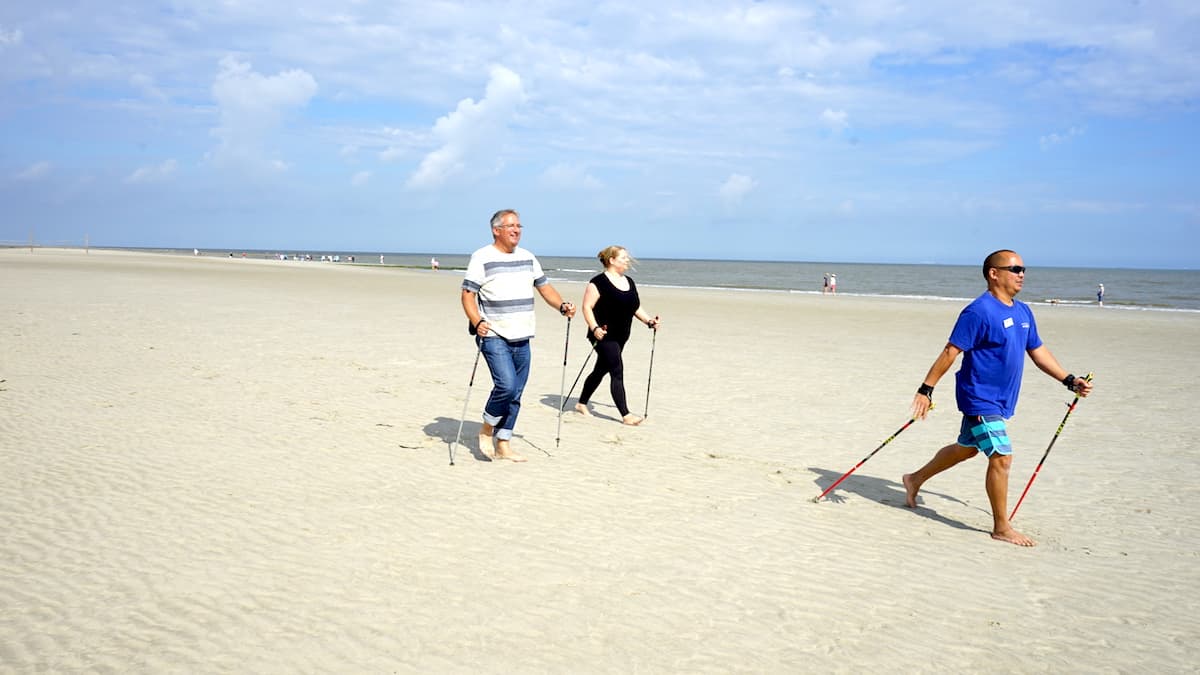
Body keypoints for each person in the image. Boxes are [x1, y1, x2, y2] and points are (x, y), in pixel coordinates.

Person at [902, 249, 1094, 547]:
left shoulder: (1023, 311)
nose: (1021, 274)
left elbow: (1038, 351)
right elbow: (951, 351)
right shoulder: (978, 311)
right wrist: (926, 389)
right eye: (1014, 268)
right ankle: (1002, 527)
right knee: (1002, 456)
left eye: (1023, 269)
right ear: (994, 273)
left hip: (1001, 399)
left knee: (967, 448)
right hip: (979, 397)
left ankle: (914, 479)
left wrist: (1069, 380)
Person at [461, 209, 576, 462]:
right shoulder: (482, 257)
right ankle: (487, 429)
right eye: (511, 225)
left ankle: (504, 443)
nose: (516, 230)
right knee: (506, 385)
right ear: (496, 230)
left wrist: (562, 306)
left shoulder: (528, 257)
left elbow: (545, 288)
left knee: (516, 394)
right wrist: (477, 321)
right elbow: (467, 295)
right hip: (494, 334)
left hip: (523, 335)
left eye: (519, 226)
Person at [574, 246, 661, 425]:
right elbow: (587, 307)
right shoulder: (597, 282)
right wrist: (594, 328)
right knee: (617, 370)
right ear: (612, 260)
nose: (627, 260)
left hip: (622, 335)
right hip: (603, 334)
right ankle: (626, 415)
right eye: (623, 258)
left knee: (601, 370)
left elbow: (635, 306)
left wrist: (649, 321)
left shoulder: (629, 281)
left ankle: (581, 403)